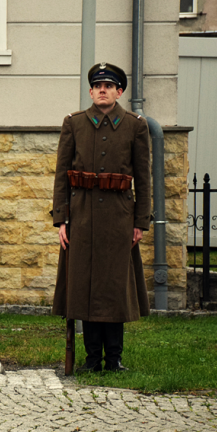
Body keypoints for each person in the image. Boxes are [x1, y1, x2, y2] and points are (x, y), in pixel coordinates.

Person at [51, 62, 151, 372]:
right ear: (91, 91)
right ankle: (92, 358)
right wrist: (61, 219)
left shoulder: (135, 126)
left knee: (114, 288)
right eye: (97, 86)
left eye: (108, 86)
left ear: (119, 92)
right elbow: (62, 174)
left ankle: (114, 359)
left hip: (119, 218)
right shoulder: (74, 124)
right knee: (84, 286)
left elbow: (144, 178)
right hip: (82, 216)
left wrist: (140, 222)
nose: (102, 90)